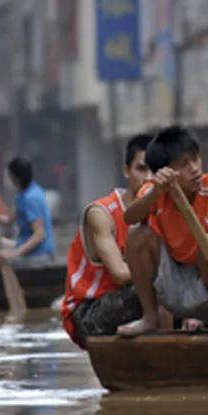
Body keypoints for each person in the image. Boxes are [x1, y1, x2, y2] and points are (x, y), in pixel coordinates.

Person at [116, 125, 208, 340]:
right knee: (137, 234)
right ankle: (149, 317)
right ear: (165, 172)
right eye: (184, 164)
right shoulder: (154, 190)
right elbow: (129, 218)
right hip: (172, 284)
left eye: (195, 159)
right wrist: (155, 194)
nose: (195, 169)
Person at [61, 133, 153, 349]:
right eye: (141, 169)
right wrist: (165, 274)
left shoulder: (164, 210)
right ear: (126, 171)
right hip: (88, 314)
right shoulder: (102, 213)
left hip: (135, 300)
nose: (149, 177)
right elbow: (120, 274)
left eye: (154, 170)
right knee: (161, 290)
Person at [0, 156, 56, 270]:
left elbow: (39, 235)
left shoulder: (30, 198)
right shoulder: (23, 193)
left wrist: (15, 254)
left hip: (38, 257)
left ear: (15, 177)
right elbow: (9, 220)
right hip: (25, 248)